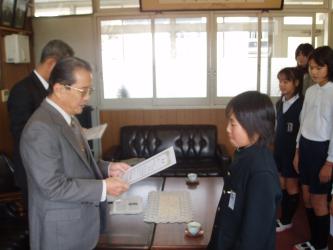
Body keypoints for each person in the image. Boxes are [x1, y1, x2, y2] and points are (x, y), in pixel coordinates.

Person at [20, 57, 130, 250]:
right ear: (60, 89)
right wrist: (103, 188)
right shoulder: (40, 128)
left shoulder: (69, 118)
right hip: (60, 232)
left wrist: (108, 168)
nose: (87, 97)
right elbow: (52, 187)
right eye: (83, 91)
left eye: (90, 90)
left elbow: (80, 162)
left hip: (79, 225)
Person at [207, 91, 281, 250]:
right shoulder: (243, 153)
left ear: (256, 126)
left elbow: (253, 238)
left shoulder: (262, 173)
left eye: (233, 124)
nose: (227, 129)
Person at [7, 39, 74, 206]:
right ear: (51, 63)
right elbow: (22, 133)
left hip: (53, 165)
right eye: (63, 68)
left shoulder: (51, 88)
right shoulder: (22, 90)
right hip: (33, 168)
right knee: (39, 220)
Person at [293, 46, 333, 250]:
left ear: (329, 67)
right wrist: (298, 151)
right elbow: (303, 123)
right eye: (311, 67)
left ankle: (320, 245)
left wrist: (329, 163)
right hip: (306, 147)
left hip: (323, 151)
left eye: (319, 67)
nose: (314, 72)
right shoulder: (310, 91)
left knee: (319, 201)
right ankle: (313, 240)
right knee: (307, 198)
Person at [274, 67, 304, 232]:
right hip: (279, 150)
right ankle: (283, 217)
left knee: (291, 185)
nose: (282, 85)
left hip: (293, 152)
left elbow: (302, 132)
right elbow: (277, 127)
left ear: (296, 83)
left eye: (286, 81)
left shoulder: (301, 104)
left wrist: (298, 154)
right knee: (282, 184)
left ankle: (287, 220)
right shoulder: (280, 103)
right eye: (280, 81)